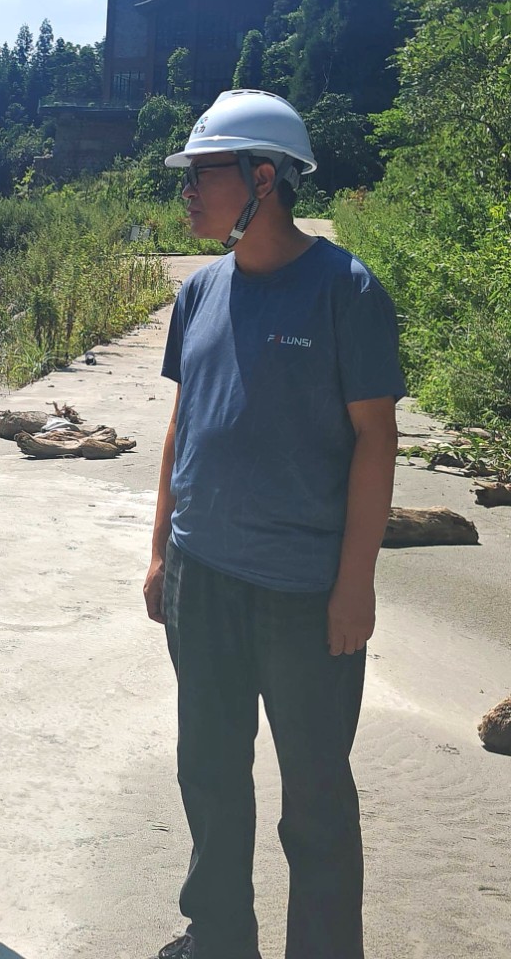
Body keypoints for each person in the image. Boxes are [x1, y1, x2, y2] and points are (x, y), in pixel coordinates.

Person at [146, 90, 404, 959]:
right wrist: (160, 552)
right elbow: (183, 425)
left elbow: (376, 440)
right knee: (210, 771)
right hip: (202, 577)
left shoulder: (345, 291)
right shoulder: (200, 291)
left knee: (316, 795)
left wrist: (356, 585)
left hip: (303, 591)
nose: (187, 190)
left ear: (263, 178)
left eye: (203, 173)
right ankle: (219, 935)